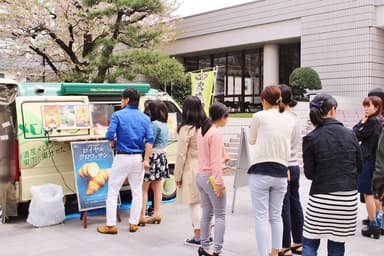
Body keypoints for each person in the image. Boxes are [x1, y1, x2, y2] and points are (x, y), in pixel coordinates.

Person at [302, 94, 363, 256]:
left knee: (309, 242)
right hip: (347, 199)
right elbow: (360, 166)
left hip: (321, 198)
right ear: (333, 110)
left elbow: (309, 174)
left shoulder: (311, 138)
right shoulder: (350, 134)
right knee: (337, 244)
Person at [97, 88, 154, 234]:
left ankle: (111, 225)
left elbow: (110, 134)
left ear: (127, 100)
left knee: (113, 190)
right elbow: (150, 140)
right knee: (137, 191)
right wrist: (146, 159)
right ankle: (133, 223)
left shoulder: (117, 115)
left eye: (122, 99)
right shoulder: (145, 118)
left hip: (122, 157)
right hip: (138, 158)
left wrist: (112, 141)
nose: (121, 102)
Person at [247, 85, 296, 256]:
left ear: (264, 100)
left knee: (261, 217)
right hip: (281, 171)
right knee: (276, 216)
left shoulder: (259, 116)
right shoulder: (290, 119)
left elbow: (251, 140)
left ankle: (263, 253)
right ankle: (275, 251)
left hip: (260, 170)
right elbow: (291, 142)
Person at [196, 102, 229, 256]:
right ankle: (217, 249)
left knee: (206, 213)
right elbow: (215, 161)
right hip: (211, 177)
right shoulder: (215, 133)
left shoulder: (202, 130)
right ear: (221, 117)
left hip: (201, 176)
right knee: (220, 214)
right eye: (226, 117)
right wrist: (219, 183)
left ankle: (204, 246)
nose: (227, 120)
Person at [174, 96, 207, 246]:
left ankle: (199, 236)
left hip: (191, 169)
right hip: (206, 168)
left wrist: (177, 175)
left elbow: (181, 155)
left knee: (194, 204)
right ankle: (209, 234)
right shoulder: (206, 127)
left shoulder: (186, 129)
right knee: (206, 203)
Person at [278, 84, 304, 256]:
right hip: (294, 166)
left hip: (284, 165)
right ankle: (298, 242)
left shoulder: (282, 119)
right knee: (295, 204)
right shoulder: (296, 117)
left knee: (284, 207)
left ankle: (285, 246)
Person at [352, 96, 383, 239]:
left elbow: (354, 135)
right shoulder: (379, 121)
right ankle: (378, 223)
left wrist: (362, 123)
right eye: (364, 106)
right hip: (375, 161)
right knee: (375, 193)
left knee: (368, 193)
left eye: (368, 106)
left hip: (367, 161)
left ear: (376, 107)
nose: (365, 109)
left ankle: (373, 225)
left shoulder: (370, 122)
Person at [139, 100, 169, 226]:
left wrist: (145, 158)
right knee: (157, 187)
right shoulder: (164, 124)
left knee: (144, 188)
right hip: (162, 157)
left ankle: (141, 216)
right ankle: (156, 214)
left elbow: (148, 142)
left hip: (152, 157)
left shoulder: (154, 125)